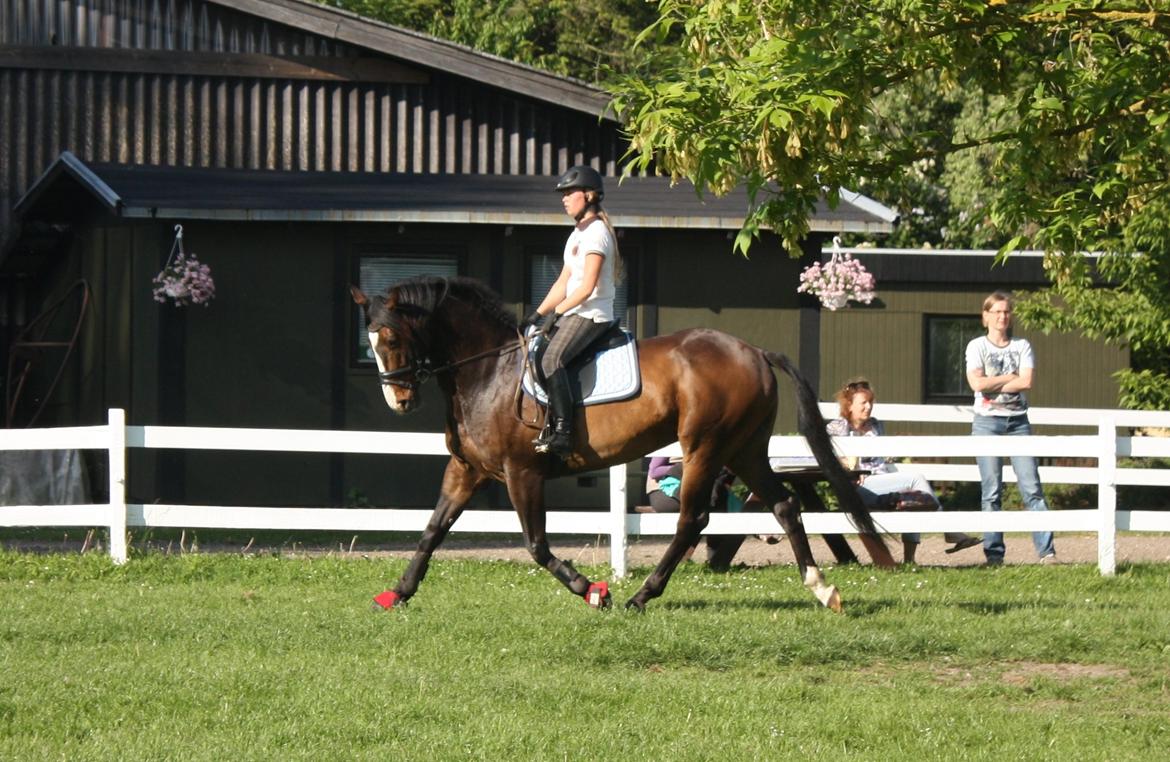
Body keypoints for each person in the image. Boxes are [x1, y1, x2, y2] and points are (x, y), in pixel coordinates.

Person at [520, 165, 622, 458]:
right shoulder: (577, 233)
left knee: (552, 358)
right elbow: (564, 281)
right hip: (574, 311)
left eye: (569, 193)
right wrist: (537, 314)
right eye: (562, 194)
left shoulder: (597, 233)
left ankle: (564, 432)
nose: (564, 199)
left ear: (588, 195)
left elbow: (587, 286)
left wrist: (557, 314)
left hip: (592, 314)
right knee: (535, 351)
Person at [827, 377, 981, 565]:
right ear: (849, 405)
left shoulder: (876, 425)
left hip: (881, 481)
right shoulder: (837, 427)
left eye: (870, 402)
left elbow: (881, 458)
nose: (868, 407)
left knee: (913, 499)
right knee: (916, 479)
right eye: (863, 403)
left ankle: (910, 560)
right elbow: (830, 459)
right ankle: (950, 531)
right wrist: (849, 473)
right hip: (859, 486)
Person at [965, 290, 1057, 566]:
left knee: (1032, 488)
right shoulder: (976, 346)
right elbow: (977, 385)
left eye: (1006, 312)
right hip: (987, 423)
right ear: (986, 316)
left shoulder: (1022, 346)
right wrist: (1009, 377)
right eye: (996, 312)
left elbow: (1026, 382)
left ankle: (1047, 551)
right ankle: (994, 555)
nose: (1002, 317)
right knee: (991, 490)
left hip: (1018, 422)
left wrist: (994, 380)